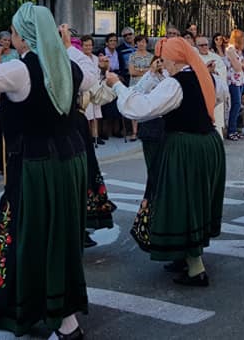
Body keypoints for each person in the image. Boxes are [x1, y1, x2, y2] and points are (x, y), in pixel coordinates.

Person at [0, 4, 88, 339]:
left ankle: (61, 319)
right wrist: (65, 45)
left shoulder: (23, 70)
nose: (11, 38)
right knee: (58, 237)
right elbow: (89, 82)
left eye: (13, 31)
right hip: (69, 164)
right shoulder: (70, 66)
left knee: (29, 236)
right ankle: (60, 314)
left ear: (23, 36)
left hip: (38, 167)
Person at [107, 37, 226, 287]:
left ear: (173, 58)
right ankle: (185, 256)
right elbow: (218, 98)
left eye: (163, 58)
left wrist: (117, 85)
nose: (161, 63)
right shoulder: (204, 76)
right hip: (208, 144)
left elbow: (141, 108)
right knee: (196, 200)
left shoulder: (175, 84)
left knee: (182, 201)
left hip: (185, 147)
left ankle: (196, 268)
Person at [63, 27, 114, 249]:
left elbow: (100, 95)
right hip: (62, 128)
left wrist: (107, 78)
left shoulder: (80, 68)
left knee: (84, 175)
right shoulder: (53, 66)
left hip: (79, 126)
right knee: (69, 177)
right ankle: (69, 228)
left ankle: (82, 226)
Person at [196, 36, 227, 136]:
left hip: (215, 92)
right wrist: (205, 70)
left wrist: (214, 72)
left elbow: (223, 72)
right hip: (200, 92)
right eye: (201, 45)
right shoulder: (194, 58)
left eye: (206, 45)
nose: (204, 47)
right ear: (197, 46)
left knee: (216, 120)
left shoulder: (215, 57)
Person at [98, 33, 126, 139]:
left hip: (117, 78)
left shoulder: (118, 53)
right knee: (106, 104)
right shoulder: (101, 52)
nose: (113, 43)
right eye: (111, 41)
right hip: (106, 78)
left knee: (117, 104)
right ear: (106, 42)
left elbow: (122, 67)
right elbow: (100, 67)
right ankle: (104, 131)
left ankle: (116, 130)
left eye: (115, 41)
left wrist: (120, 76)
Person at [126, 35, 153, 141]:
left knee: (147, 107)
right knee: (135, 107)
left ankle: (146, 130)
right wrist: (145, 70)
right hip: (135, 85)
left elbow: (153, 71)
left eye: (143, 42)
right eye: (139, 42)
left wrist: (140, 70)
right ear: (136, 43)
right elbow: (132, 72)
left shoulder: (151, 57)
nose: (141, 44)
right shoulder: (132, 56)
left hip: (148, 85)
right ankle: (134, 132)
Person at [224, 29, 244, 141]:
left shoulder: (238, 51)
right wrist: (240, 65)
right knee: (236, 104)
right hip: (233, 80)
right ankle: (231, 130)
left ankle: (234, 129)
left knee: (238, 106)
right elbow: (238, 66)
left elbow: (243, 64)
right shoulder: (230, 49)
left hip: (239, 79)